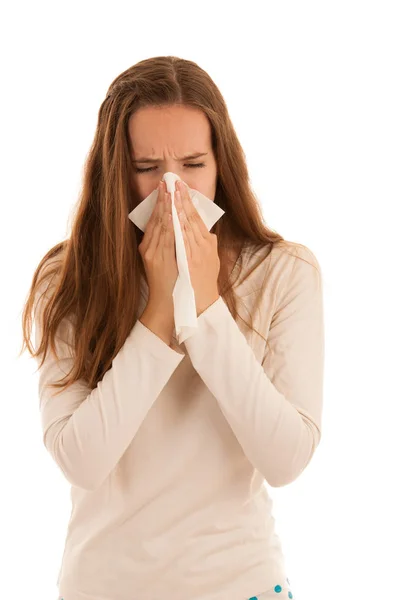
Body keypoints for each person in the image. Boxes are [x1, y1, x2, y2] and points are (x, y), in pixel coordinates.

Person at [20, 56, 324, 600]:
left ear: (220, 166)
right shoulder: (66, 279)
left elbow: (286, 458)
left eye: (192, 164)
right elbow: (81, 460)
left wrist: (205, 307)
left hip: (239, 583)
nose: (172, 190)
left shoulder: (283, 272)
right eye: (146, 167)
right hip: (104, 586)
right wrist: (159, 313)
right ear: (115, 171)